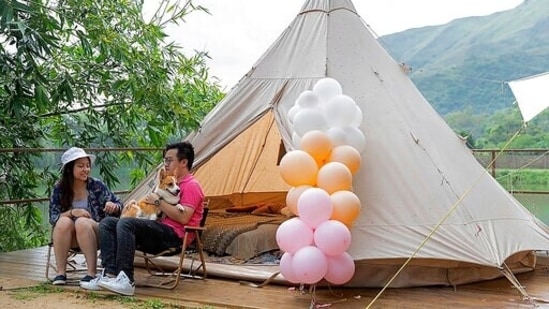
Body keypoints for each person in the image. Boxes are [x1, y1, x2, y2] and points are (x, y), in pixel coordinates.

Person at [83, 141, 205, 296]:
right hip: (156, 229)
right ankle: (110, 274)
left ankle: (126, 279)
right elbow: (150, 205)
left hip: (174, 236)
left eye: (169, 160)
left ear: (183, 162)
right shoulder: (167, 182)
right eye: (164, 160)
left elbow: (184, 218)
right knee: (107, 223)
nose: (165, 163)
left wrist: (157, 201)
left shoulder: (191, 185)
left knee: (127, 223)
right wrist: (137, 205)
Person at [49, 147, 123, 288]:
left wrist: (112, 205)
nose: (86, 169)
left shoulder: (96, 185)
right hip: (68, 236)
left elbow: (120, 205)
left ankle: (91, 272)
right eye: (81, 166)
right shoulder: (59, 188)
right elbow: (53, 217)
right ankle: (61, 273)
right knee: (63, 221)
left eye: (88, 166)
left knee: (82, 222)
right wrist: (72, 212)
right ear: (70, 168)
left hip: (95, 233)